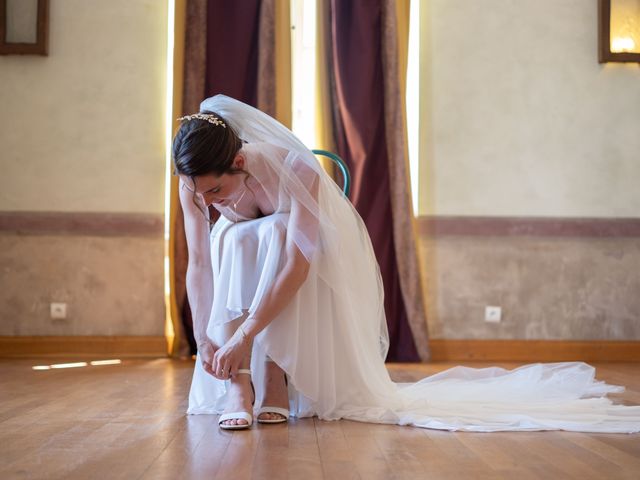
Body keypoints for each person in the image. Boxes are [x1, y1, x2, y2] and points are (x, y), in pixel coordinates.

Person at [174, 95, 640, 433]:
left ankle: (273, 375)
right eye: (200, 194)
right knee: (232, 238)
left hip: (304, 277)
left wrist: (244, 335)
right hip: (246, 279)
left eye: (216, 191)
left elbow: (297, 265)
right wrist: (208, 337)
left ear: (239, 161)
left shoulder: (294, 171)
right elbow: (199, 265)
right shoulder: (194, 185)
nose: (208, 203)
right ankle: (239, 383)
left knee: (271, 234)